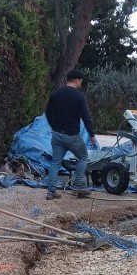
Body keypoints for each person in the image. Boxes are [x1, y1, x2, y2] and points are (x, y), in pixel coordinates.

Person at [45, 69, 98, 200]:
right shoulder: (79, 96)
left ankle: (51, 191)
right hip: (72, 136)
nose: (81, 84)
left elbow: (48, 112)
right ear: (77, 80)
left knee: (55, 163)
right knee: (83, 157)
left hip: (57, 135)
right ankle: (78, 184)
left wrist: (53, 126)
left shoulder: (56, 93)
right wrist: (91, 134)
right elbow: (86, 117)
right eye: (81, 81)